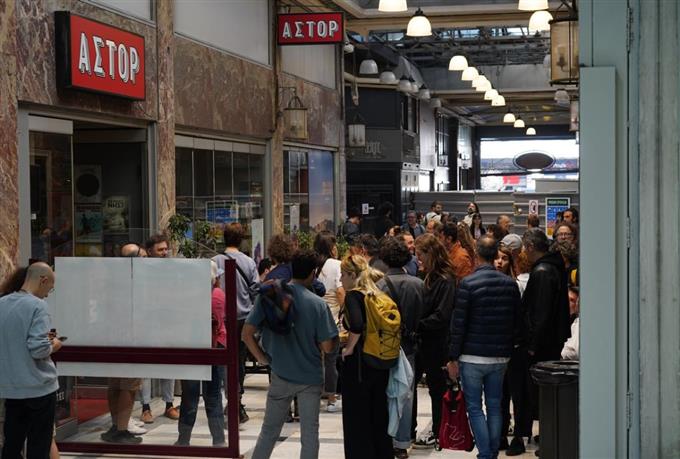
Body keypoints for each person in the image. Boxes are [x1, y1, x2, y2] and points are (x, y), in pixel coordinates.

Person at [243, 250, 339, 459]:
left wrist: (261, 358)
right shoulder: (318, 305)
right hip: (310, 378)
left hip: (279, 373)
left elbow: (246, 334)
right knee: (310, 433)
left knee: (269, 432)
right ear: (313, 273)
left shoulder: (272, 295)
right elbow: (327, 347)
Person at [447, 235, 522, 459]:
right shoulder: (510, 284)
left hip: (471, 355)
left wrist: (453, 356)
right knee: (495, 405)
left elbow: (458, 324)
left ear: (477, 254)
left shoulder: (468, 284)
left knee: (474, 406)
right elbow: (516, 321)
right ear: (495, 254)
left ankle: (486, 453)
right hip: (500, 356)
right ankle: (492, 453)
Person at [0, 262, 61, 459]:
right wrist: (55, 344)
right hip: (38, 387)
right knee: (39, 445)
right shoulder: (37, 305)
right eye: (50, 288)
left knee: (11, 444)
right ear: (43, 280)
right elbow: (38, 349)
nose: (47, 294)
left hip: (11, 387)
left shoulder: (2, 302)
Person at [339, 254, 394, 459]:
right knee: (378, 415)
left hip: (359, 366)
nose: (341, 279)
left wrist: (349, 348)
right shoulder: (377, 293)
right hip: (379, 362)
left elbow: (356, 324)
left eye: (343, 274)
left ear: (352, 275)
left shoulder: (354, 295)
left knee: (357, 418)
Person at [522, 228, 571, 452]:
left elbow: (540, 312)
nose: (524, 252)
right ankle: (548, 435)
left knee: (541, 393)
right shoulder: (554, 265)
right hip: (553, 338)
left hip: (543, 342)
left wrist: (533, 344)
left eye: (525, 248)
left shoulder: (542, 271)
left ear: (531, 247)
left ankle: (549, 438)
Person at [376, 238, 424, 459]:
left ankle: (386, 436)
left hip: (385, 346)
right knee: (406, 393)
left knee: (386, 393)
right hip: (410, 345)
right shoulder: (418, 284)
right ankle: (402, 442)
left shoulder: (380, 286)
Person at [412, 234, 456, 448]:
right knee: (416, 385)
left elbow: (442, 315)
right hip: (424, 340)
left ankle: (440, 431)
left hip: (437, 342)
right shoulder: (427, 276)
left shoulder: (446, 279)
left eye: (420, 254)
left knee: (437, 389)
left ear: (431, 253)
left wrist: (417, 324)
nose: (417, 258)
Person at [212, 222, 259, 424]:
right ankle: (236, 402)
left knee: (220, 362)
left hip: (219, 320)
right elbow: (255, 289)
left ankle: (224, 401)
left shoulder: (214, 261)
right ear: (241, 240)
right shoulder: (248, 262)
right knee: (238, 362)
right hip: (242, 319)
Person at [176, 261, 226, 446]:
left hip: (192, 347)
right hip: (214, 348)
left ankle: (183, 440)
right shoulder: (218, 294)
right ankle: (218, 440)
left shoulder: (188, 296)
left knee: (189, 395)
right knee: (213, 395)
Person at [101, 243, 147, 443]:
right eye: (143, 257)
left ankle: (115, 426)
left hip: (114, 337)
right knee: (128, 386)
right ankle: (121, 430)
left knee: (116, 384)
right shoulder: (135, 282)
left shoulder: (114, 281)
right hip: (131, 338)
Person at [139, 234, 178, 424]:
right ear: (149, 251)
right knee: (146, 364)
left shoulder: (170, 270)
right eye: (160, 249)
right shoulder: (142, 271)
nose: (164, 253)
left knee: (169, 362)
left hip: (167, 320)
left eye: (165, 249)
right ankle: (145, 407)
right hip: (147, 321)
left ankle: (169, 404)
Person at [313, 231, 346, 413]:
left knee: (315, 359)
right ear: (331, 247)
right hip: (331, 318)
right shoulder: (336, 264)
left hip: (313, 319)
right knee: (330, 360)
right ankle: (332, 398)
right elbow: (340, 291)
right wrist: (345, 312)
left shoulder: (312, 265)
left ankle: (315, 394)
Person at [561, 287, 580, 360]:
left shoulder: (577, 323)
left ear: (577, 305)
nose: (567, 302)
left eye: (572, 300)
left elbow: (574, 352)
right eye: (567, 299)